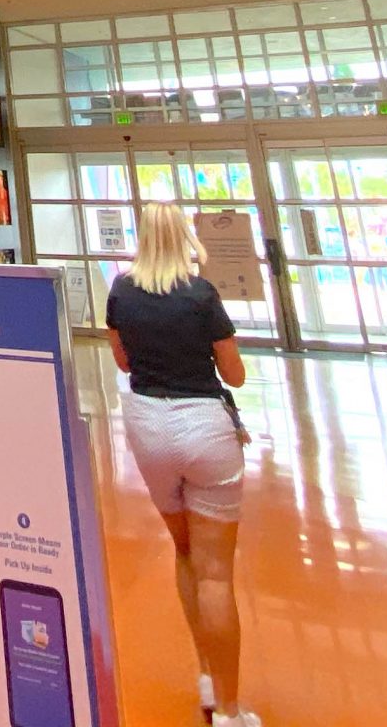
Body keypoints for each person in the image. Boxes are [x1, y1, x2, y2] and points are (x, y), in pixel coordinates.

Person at [106, 202, 254, 727]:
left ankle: (206, 673)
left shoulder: (121, 291)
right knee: (216, 573)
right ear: (184, 237)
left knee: (185, 551)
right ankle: (230, 709)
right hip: (203, 424)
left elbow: (122, 359)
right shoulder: (200, 294)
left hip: (148, 424)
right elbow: (234, 375)